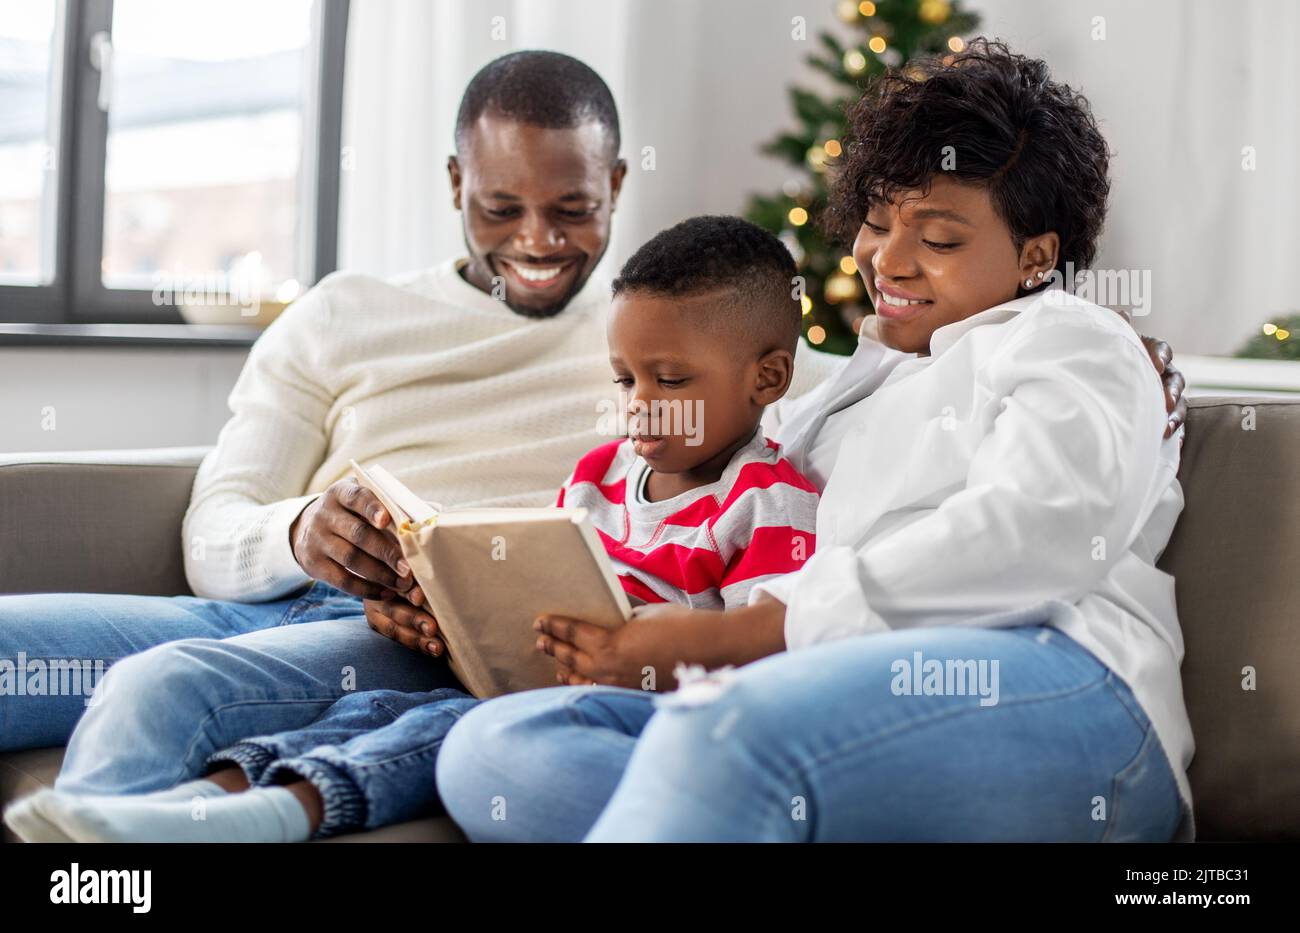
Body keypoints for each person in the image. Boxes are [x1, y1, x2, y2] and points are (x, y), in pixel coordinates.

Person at [433, 39, 1196, 843]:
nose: (887, 261)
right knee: (497, 747)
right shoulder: (834, 393)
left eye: (938, 240)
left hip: (1065, 683)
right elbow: (711, 468)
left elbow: (1039, 530)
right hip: (828, 703)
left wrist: (745, 633)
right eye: (875, 222)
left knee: (723, 738)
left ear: (1037, 257)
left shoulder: (1067, 338)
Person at [5, 217, 822, 842]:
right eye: (623, 380)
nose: (639, 402)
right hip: (421, 642)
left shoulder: (767, 492)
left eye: (667, 381)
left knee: (418, 721)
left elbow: (772, 638)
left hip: (585, 700)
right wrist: (443, 601)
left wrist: (652, 647)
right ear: (456, 181)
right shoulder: (601, 469)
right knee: (383, 708)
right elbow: (547, 574)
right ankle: (202, 808)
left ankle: (249, 818)